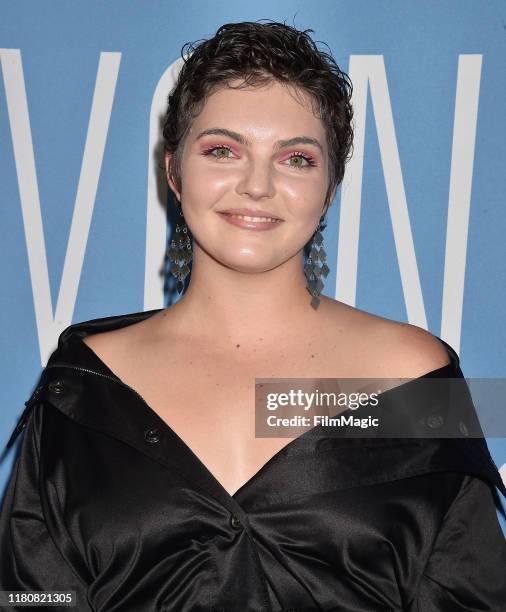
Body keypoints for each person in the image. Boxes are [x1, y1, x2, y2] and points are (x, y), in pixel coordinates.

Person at [1, 19, 505, 612]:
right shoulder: (82, 385)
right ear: (173, 171)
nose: (257, 185)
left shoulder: (418, 372)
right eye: (222, 150)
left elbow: (471, 593)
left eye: (295, 158)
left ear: (330, 188)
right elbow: (34, 598)